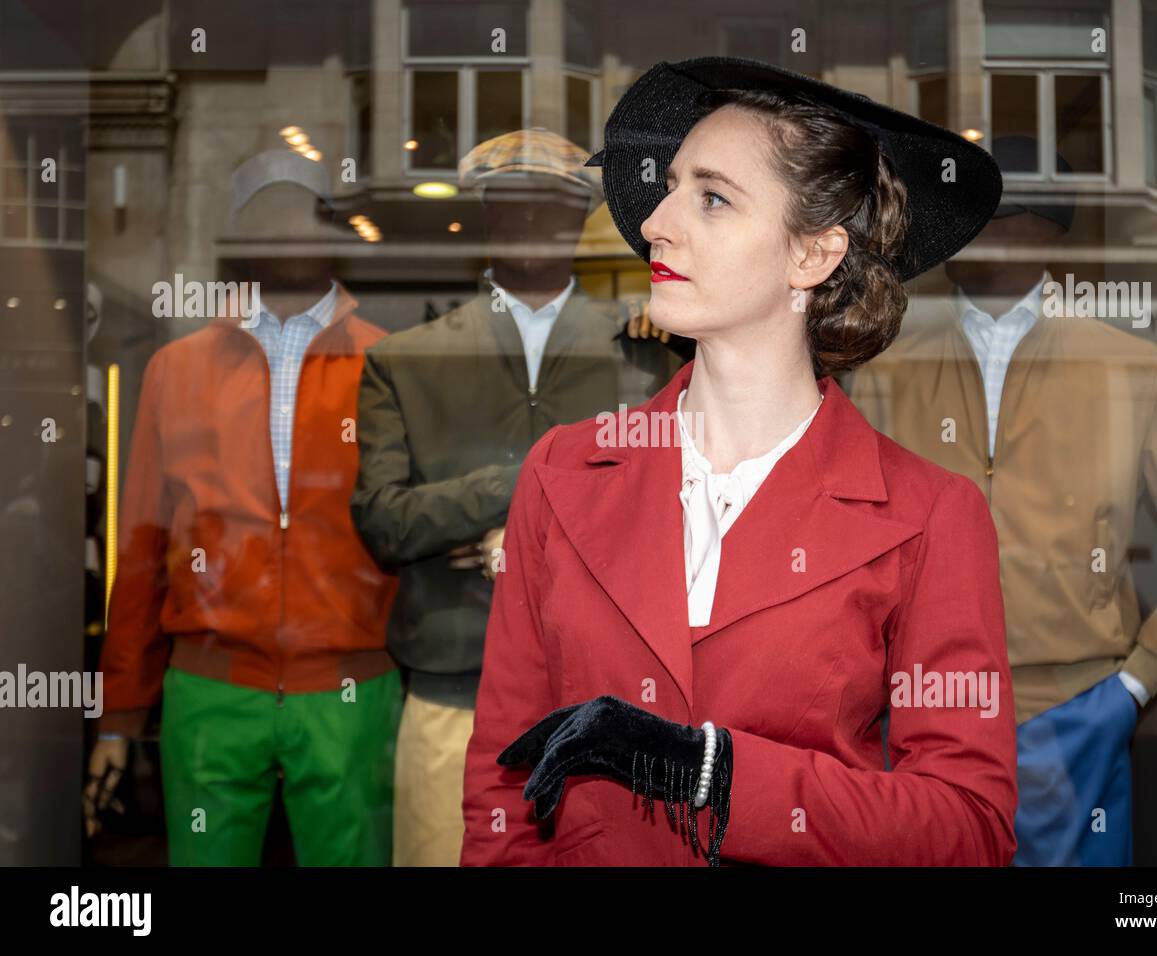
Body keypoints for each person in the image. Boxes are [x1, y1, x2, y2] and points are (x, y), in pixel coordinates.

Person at [459, 57, 1018, 867]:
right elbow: (502, 789)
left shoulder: (930, 515)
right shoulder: (563, 472)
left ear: (813, 257)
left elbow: (966, 829)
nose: (657, 221)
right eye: (673, 185)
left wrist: (718, 775)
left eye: (712, 197)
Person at [847, 136, 1157, 866]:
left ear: (1043, 228)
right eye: (961, 213)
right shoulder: (880, 368)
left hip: (1073, 724)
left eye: (988, 212)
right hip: (915, 723)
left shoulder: (1128, 369)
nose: (966, 232)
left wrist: (1134, 684)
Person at [350, 128, 678, 866]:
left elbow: (674, 508)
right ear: (485, 217)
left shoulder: (646, 350)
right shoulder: (405, 362)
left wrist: (530, 537)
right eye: (513, 206)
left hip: (613, 694)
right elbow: (382, 521)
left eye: (552, 206)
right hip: (453, 686)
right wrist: (528, 479)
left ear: (579, 218)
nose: (533, 223)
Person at [84, 152, 402, 865]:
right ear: (241, 237)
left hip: (350, 691)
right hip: (210, 688)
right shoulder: (179, 368)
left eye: (304, 213)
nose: (288, 232)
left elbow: (409, 532)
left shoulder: (388, 362)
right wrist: (118, 716)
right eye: (269, 215)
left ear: (332, 232)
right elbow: (141, 552)